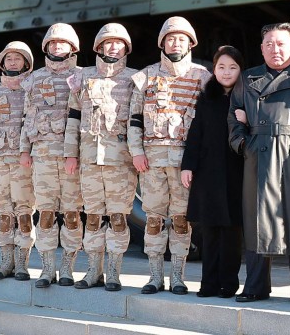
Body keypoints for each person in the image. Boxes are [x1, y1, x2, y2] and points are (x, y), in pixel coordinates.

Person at [227, 22, 290, 306]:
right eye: (269, 44)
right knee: (258, 220)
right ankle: (256, 287)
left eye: (281, 43)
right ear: (261, 48)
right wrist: (244, 144)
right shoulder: (248, 77)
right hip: (260, 152)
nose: (275, 49)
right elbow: (234, 116)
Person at [128, 16, 211, 295]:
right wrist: (137, 152)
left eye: (181, 38)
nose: (176, 43)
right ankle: (154, 276)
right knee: (153, 219)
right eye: (170, 38)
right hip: (151, 160)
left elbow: (208, 122)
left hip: (184, 163)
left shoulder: (202, 77)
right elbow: (134, 119)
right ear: (162, 42)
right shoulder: (145, 76)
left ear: (190, 43)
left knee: (180, 219)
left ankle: (177, 276)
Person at [65, 23, 137, 291]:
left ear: (126, 48)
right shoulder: (83, 78)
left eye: (118, 43)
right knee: (93, 217)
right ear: (98, 47)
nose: (113, 47)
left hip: (121, 161)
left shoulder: (135, 79)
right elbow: (72, 118)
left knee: (118, 218)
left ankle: (114, 273)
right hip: (89, 159)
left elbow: (139, 121)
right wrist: (70, 154)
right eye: (108, 43)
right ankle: (93, 271)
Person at [20, 23, 84, 288]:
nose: (58, 47)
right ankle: (47, 269)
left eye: (63, 43)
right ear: (46, 47)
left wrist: (75, 153)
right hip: (43, 154)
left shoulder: (82, 76)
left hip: (72, 156)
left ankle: (67, 268)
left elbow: (84, 117)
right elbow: (27, 115)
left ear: (72, 47)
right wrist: (25, 149)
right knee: (45, 213)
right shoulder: (34, 79)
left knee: (71, 213)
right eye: (53, 43)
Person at [180, 45, 245, 298]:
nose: (227, 72)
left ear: (240, 70)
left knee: (232, 231)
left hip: (237, 173)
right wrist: (188, 165)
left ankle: (228, 284)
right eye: (221, 67)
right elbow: (195, 134)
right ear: (214, 70)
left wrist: (247, 120)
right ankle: (208, 283)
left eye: (232, 67)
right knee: (209, 230)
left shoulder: (247, 98)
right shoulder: (206, 97)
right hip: (208, 173)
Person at [0, 41, 36, 281]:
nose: (13, 62)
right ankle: (5, 263)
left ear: (27, 62)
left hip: (24, 160)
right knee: (4, 212)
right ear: (2, 63)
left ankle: (22, 263)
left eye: (18, 58)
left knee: (24, 211)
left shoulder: (33, 88)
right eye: (9, 58)